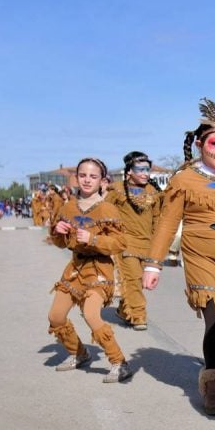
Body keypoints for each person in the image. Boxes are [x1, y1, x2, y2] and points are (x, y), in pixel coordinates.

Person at [143, 99, 215, 415]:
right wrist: (154, 263)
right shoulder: (184, 179)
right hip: (200, 252)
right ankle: (213, 388)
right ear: (200, 144)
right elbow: (167, 222)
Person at [47, 158, 131, 382]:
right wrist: (57, 231)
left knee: (92, 314)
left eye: (93, 176)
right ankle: (79, 353)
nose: (87, 180)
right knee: (55, 317)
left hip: (100, 269)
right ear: (76, 177)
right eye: (83, 175)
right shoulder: (68, 207)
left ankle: (119, 362)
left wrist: (94, 239)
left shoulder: (107, 208)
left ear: (102, 181)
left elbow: (120, 243)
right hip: (75, 268)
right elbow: (60, 243)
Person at [106, 151, 163, 330]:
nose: (146, 173)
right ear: (129, 171)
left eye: (148, 169)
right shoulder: (116, 190)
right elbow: (105, 213)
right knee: (133, 279)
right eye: (141, 169)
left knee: (137, 282)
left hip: (147, 245)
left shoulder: (153, 193)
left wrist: (158, 246)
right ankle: (139, 316)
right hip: (126, 242)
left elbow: (157, 220)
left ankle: (124, 310)